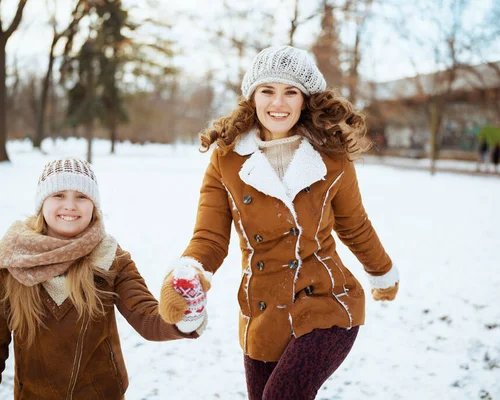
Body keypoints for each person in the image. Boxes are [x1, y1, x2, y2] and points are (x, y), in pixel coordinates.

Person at [159, 45, 400, 399]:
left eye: (291, 92)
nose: (279, 103)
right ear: (252, 97)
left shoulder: (332, 158)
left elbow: (354, 224)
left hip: (327, 303)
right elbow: (209, 237)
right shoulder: (226, 161)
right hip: (263, 312)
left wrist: (382, 272)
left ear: (305, 100)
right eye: (267, 90)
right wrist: (190, 273)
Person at [0, 158, 205, 399]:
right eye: (58, 194)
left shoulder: (111, 258)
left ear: (94, 205)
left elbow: (146, 316)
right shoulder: (12, 261)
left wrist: (183, 316)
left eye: (82, 196)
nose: (70, 205)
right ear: (42, 202)